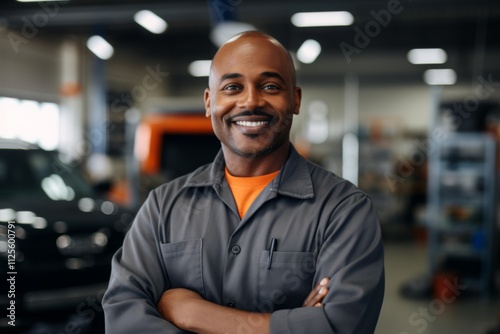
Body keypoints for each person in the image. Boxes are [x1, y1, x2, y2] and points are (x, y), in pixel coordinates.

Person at [102, 31, 385, 333]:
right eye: (233, 87)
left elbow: (341, 326)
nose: (251, 101)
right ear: (210, 102)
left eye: (271, 86)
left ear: (295, 99)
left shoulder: (344, 211)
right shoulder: (162, 207)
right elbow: (124, 317)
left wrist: (191, 312)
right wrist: (291, 324)